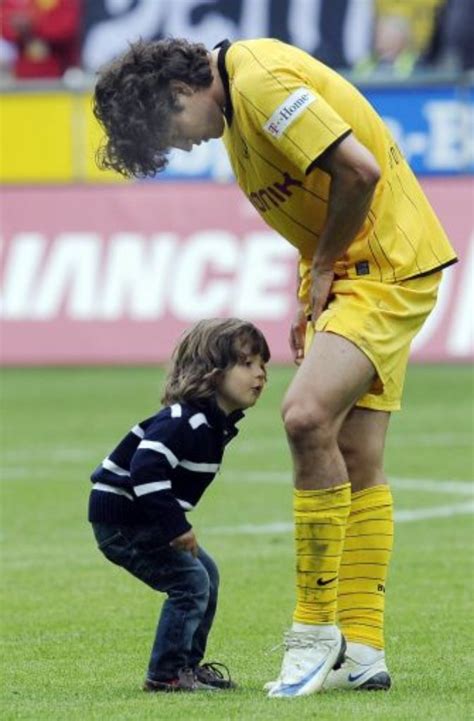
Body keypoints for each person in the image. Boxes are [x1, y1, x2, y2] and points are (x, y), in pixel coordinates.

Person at [91, 37, 458, 698]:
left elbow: (359, 171)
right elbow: (314, 204)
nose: (181, 148)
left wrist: (323, 268)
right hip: (360, 275)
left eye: (169, 133)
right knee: (357, 451)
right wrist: (307, 288)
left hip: (385, 267)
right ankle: (363, 645)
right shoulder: (237, 117)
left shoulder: (258, 81)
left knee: (304, 415)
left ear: (178, 93)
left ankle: (313, 635)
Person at [88, 318, 270, 692]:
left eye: (263, 364)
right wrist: (176, 527)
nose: (261, 374)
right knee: (190, 581)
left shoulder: (213, 424)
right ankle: (166, 675)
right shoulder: (184, 420)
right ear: (212, 372)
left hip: (141, 517)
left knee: (206, 575)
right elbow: (145, 468)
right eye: (248, 364)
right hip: (124, 519)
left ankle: (188, 666)